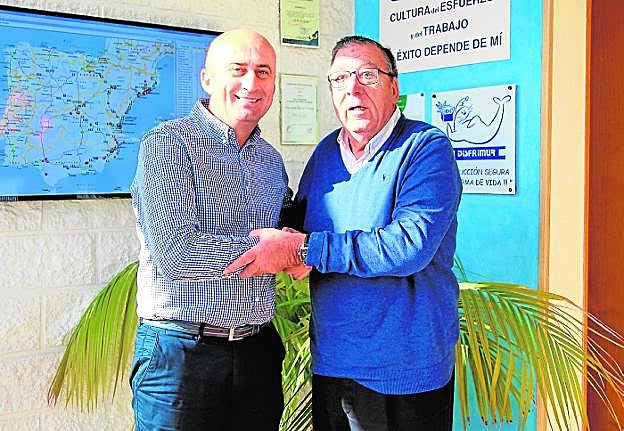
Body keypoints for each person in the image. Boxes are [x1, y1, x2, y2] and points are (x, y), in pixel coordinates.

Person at [225, 35, 462, 431]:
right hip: (334, 365)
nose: (353, 88)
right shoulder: (325, 153)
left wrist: (304, 249)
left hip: (405, 371)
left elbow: (409, 246)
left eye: (368, 75)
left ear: (394, 88)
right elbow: (298, 225)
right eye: (340, 79)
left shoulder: (425, 148)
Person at [129, 29, 290, 430]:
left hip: (257, 354)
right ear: (206, 79)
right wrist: (266, 251)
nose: (251, 82)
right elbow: (176, 255)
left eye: (263, 71)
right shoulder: (168, 144)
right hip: (180, 356)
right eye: (238, 69)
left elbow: (288, 231)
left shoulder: (271, 162)